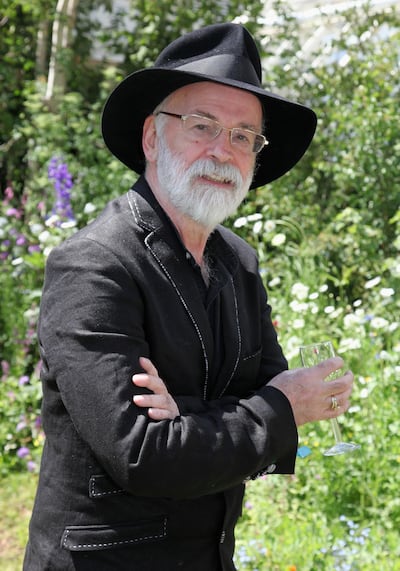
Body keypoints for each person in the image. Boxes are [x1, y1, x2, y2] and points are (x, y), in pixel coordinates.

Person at [23, 23, 354, 571]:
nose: (224, 152)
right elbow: (144, 455)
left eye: (244, 136)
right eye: (204, 125)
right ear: (152, 137)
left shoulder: (239, 261)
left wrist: (190, 420)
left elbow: (259, 396)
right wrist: (282, 408)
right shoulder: (94, 264)